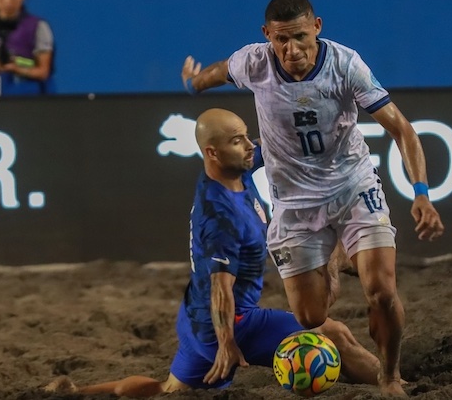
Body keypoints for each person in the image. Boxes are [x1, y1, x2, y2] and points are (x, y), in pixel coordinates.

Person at [181, 0, 445, 396]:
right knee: (309, 317)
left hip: (353, 187)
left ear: (317, 27)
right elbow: (221, 70)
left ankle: (390, 377)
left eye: (300, 37)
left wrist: (422, 194)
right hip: (294, 204)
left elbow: (402, 129)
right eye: (281, 40)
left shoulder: (346, 65)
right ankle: (336, 256)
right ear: (267, 35)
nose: (292, 50)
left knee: (381, 291)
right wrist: (196, 82)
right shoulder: (254, 63)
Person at [44, 108, 383, 397]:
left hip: (199, 315)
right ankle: (396, 384)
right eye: (238, 140)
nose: (249, 146)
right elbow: (221, 289)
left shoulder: (234, 171)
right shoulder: (220, 216)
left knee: (169, 390)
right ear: (212, 153)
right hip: (227, 323)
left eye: (246, 136)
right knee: (333, 334)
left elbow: (278, 145)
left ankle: (75, 392)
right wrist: (226, 344)